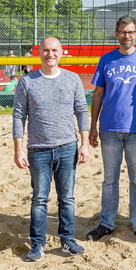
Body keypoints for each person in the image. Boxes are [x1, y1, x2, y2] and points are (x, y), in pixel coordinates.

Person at [12, 37, 89, 262]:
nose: (50, 54)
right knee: (39, 199)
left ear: (62, 52)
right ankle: (37, 244)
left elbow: (82, 112)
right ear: (39, 53)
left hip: (67, 147)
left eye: (54, 50)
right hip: (38, 149)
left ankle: (67, 239)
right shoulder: (27, 81)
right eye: (46, 50)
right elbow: (18, 116)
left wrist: (84, 144)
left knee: (67, 199)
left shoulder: (72, 79)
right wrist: (18, 149)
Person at [86, 16, 136, 242]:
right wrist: (93, 126)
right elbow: (98, 94)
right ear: (116, 34)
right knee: (109, 179)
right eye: (122, 32)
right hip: (109, 128)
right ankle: (106, 222)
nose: (126, 36)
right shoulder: (106, 60)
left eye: (130, 32)